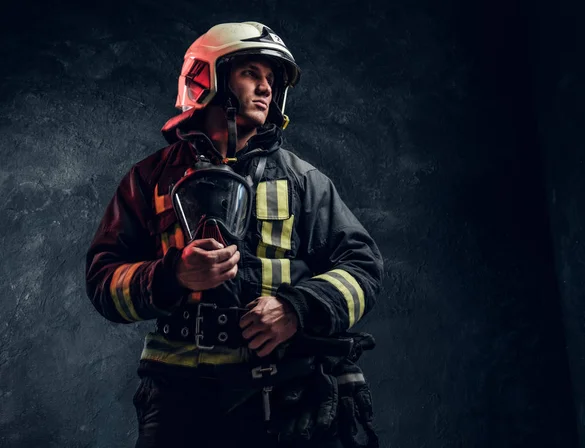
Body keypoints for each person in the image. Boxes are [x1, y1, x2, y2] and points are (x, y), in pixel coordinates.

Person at [85, 21, 384, 448]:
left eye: (271, 80)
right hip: (179, 402)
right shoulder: (149, 179)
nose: (265, 88)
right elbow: (102, 283)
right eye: (251, 74)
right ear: (209, 79)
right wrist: (173, 276)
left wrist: (296, 308)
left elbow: (364, 266)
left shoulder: (304, 181)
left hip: (287, 395)